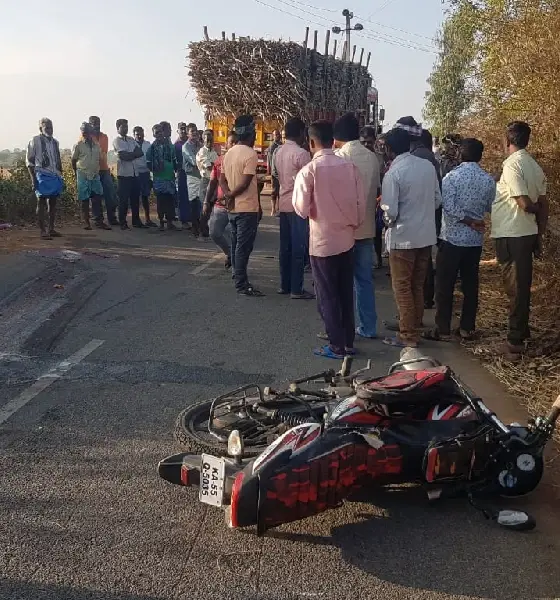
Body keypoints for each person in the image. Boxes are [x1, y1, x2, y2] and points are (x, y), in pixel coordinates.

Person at [293, 120, 366, 359]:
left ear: (311, 142)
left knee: (327, 294)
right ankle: (348, 341)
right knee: (345, 291)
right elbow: (360, 205)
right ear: (332, 141)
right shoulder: (350, 167)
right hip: (346, 238)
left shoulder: (310, 171)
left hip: (322, 241)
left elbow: (301, 209)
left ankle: (336, 345)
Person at [424, 138, 495, 342]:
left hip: (452, 239)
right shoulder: (488, 180)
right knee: (470, 285)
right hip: (474, 242)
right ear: (480, 156)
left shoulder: (451, 178)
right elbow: (491, 206)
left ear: (460, 155)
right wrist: (475, 221)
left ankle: (443, 329)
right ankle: (466, 328)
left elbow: (449, 209)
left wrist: (468, 220)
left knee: (444, 286)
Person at [491, 121, 548, 357]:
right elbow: (545, 205)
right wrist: (539, 234)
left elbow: (523, 202)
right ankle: (521, 332)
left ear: (507, 141)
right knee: (522, 286)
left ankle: (514, 341)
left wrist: (531, 210)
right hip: (526, 233)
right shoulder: (534, 166)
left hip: (511, 233)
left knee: (515, 288)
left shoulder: (512, 165)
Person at [380, 128, 441, 348]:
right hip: (425, 236)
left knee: (402, 287)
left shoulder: (393, 173)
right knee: (417, 285)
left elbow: (390, 212)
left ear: (389, 149)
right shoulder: (427, 166)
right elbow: (437, 199)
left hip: (403, 237)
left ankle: (408, 334)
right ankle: (413, 324)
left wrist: (388, 223)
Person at [334, 113, 381, 339]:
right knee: (364, 281)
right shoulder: (372, 158)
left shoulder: (339, 157)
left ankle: (341, 328)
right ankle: (368, 327)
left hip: (343, 230)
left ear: (336, 136)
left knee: (340, 282)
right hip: (366, 227)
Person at [220, 114, 263, 297]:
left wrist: (228, 194)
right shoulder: (250, 154)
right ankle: (241, 283)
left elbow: (222, 178)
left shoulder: (228, 153)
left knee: (236, 243)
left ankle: (237, 276)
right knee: (242, 247)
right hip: (246, 208)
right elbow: (245, 183)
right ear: (250, 134)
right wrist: (231, 194)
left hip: (233, 208)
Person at [272, 117, 313, 299]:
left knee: (285, 247)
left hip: (284, 202)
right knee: (298, 247)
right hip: (298, 204)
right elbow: (311, 181)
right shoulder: (302, 154)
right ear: (300, 133)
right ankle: (296, 288)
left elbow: (274, 175)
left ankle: (284, 284)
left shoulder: (278, 152)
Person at [202, 131, 237, 268]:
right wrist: (206, 201)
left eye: (235, 142)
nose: (233, 145)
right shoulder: (219, 161)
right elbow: (212, 183)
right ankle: (229, 253)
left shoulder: (242, 161)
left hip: (236, 205)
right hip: (220, 205)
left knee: (234, 235)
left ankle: (236, 265)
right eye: (231, 142)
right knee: (214, 232)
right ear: (226, 145)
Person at [26, 117, 64, 239]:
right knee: (41, 202)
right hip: (41, 174)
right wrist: (33, 179)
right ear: (40, 129)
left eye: (51, 127)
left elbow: (57, 160)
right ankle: (43, 231)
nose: (49, 130)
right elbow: (29, 161)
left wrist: (60, 175)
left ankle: (51, 229)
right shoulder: (35, 140)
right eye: (46, 127)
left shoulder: (55, 142)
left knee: (53, 203)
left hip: (54, 175)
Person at [71, 122, 111, 231]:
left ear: (90, 133)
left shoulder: (96, 145)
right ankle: (86, 222)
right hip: (82, 174)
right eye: (83, 132)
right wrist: (76, 172)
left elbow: (99, 159)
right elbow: (73, 160)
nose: (85, 134)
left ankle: (99, 221)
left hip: (94, 174)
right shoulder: (78, 145)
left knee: (97, 197)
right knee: (84, 199)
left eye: (87, 132)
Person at [146, 123, 179, 231]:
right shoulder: (151, 148)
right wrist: (155, 171)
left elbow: (174, 160)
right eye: (157, 133)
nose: (159, 134)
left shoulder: (169, 146)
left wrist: (175, 171)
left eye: (161, 131)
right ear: (154, 134)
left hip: (169, 176)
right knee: (161, 200)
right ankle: (161, 222)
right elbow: (148, 163)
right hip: (159, 178)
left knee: (170, 200)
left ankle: (170, 222)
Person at [113, 118, 144, 230]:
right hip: (124, 175)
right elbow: (123, 156)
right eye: (123, 127)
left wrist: (130, 155)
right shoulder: (117, 141)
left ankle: (136, 221)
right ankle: (123, 222)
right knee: (124, 200)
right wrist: (132, 155)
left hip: (135, 174)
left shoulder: (131, 140)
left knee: (135, 199)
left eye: (126, 126)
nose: (125, 129)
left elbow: (140, 152)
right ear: (118, 129)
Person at [89, 116, 118, 225]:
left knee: (110, 194)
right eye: (93, 123)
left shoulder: (104, 137)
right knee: (96, 196)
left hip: (104, 169)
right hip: (92, 170)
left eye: (98, 123)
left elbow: (102, 153)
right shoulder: (85, 137)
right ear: (89, 124)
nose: (96, 125)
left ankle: (112, 217)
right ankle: (98, 219)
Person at [196, 129, 217, 240]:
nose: (209, 140)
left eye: (210, 138)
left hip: (213, 181)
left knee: (213, 208)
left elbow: (217, 167)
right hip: (205, 181)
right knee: (205, 208)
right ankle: (201, 233)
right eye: (206, 138)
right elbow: (210, 166)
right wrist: (215, 165)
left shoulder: (213, 152)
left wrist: (214, 165)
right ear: (203, 140)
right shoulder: (201, 152)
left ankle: (207, 232)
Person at [133, 126, 156, 227]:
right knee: (135, 197)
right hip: (135, 173)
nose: (139, 135)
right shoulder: (131, 144)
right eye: (137, 134)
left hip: (146, 172)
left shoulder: (148, 144)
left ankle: (147, 219)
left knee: (145, 197)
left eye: (141, 133)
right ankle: (136, 219)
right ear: (134, 135)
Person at [182, 123, 203, 237]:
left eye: (195, 130)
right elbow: (194, 161)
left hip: (201, 176)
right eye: (192, 131)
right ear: (187, 133)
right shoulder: (186, 146)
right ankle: (195, 228)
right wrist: (205, 163)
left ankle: (202, 226)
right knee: (194, 202)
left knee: (202, 202)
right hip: (192, 176)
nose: (194, 133)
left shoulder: (199, 144)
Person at [175, 122, 190, 227]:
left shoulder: (190, 143)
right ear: (178, 131)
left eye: (185, 129)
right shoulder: (177, 145)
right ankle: (184, 220)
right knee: (183, 196)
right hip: (181, 172)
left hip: (191, 173)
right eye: (181, 129)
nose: (183, 131)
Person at [268, 129, 282, 216]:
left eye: (277, 134)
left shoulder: (282, 145)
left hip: (281, 172)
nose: (276, 136)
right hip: (274, 173)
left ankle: (279, 208)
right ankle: (273, 209)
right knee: (274, 192)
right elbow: (269, 160)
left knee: (281, 192)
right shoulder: (272, 147)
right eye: (275, 134)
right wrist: (269, 171)